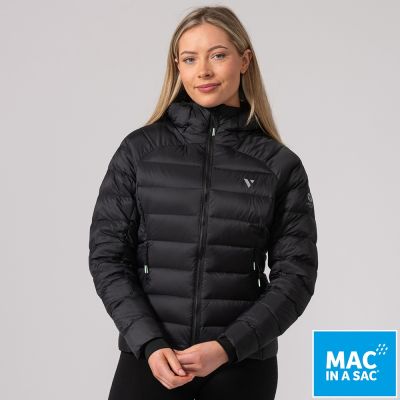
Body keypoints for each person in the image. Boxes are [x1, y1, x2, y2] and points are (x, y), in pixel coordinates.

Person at [88, 5, 318, 400]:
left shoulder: (279, 165)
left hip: (241, 366)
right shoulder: (139, 152)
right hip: (151, 362)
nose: (204, 71)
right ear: (177, 67)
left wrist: (227, 347)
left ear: (244, 60)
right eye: (190, 59)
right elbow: (108, 257)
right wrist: (150, 343)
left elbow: (296, 276)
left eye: (218, 55)